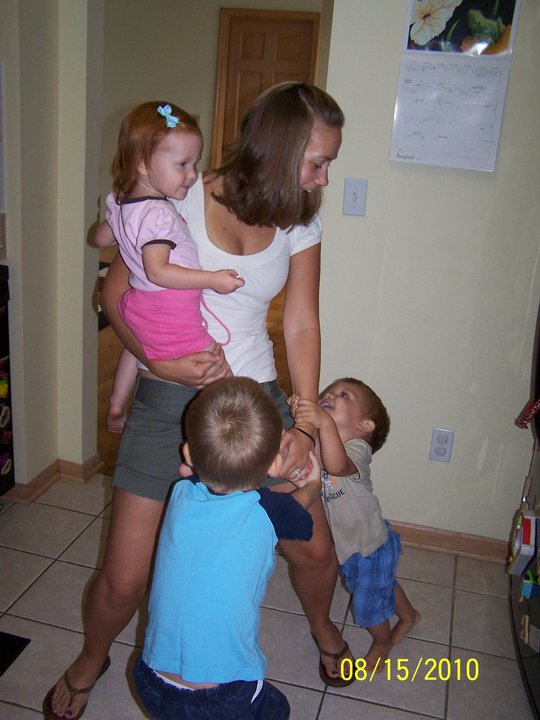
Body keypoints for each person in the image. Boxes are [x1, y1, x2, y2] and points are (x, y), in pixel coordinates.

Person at [44, 82, 349, 720]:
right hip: (167, 399)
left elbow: (301, 323)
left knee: (314, 549)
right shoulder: (178, 193)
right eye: (317, 161)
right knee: (125, 580)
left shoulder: (301, 218)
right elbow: (114, 295)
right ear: (280, 147)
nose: (324, 178)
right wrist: (155, 362)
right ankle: (91, 657)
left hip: (255, 401)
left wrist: (304, 417)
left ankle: (323, 628)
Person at [134, 376, 322, 719]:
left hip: (150, 678)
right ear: (272, 465)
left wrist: (202, 460)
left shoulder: (180, 493)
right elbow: (301, 518)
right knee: (277, 708)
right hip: (222, 696)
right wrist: (312, 484)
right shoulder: (268, 511)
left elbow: (197, 474)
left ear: (188, 454)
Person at [93, 101, 244, 433]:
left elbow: (100, 238)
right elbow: (157, 271)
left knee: (141, 347)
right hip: (169, 307)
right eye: (182, 164)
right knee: (220, 371)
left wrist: (115, 222)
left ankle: (117, 402)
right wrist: (212, 279)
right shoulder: (159, 214)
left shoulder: (121, 202)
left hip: (139, 303)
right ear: (143, 163)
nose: (192, 174)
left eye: (195, 163)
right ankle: (238, 432)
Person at [290, 377, 422, 672]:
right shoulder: (322, 444)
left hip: (369, 547)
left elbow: (337, 465)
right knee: (381, 585)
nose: (330, 394)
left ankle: (382, 641)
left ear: (365, 426)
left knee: (367, 605)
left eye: (344, 395)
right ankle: (409, 615)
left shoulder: (357, 449)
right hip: (350, 549)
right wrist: (299, 416)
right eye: (329, 392)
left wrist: (323, 421)